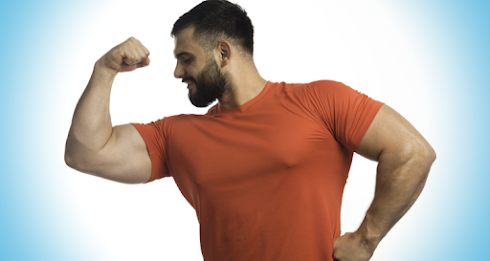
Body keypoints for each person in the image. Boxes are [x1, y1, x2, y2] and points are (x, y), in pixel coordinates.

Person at [64, 0, 436, 260]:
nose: (177, 73)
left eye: (186, 58)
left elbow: (411, 152)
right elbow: (86, 153)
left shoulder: (320, 100)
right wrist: (104, 69)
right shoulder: (176, 136)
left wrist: (366, 239)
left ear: (223, 53)